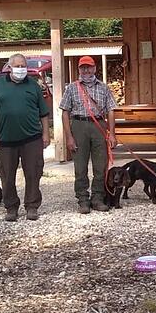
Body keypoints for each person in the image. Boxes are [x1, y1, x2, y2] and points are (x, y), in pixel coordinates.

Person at [0, 53, 51, 221]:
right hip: (6, 140)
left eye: (23, 66)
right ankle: (11, 207)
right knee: (7, 175)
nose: (21, 69)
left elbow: (43, 113)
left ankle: (32, 206)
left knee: (34, 172)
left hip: (32, 138)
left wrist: (45, 133)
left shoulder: (34, 85)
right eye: (18, 66)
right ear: (9, 67)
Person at [60, 56, 118, 214]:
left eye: (89, 67)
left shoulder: (104, 87)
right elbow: (65, 113)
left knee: (101, 165)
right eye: (82, 67)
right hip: (78, 125)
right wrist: (69, 136)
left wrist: (112, 133)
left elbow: (111, 110)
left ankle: (98, 198)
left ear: (95, 68)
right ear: (79, 69)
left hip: (99, 125)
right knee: (80, 166)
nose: (86, 70)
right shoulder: (72, 88)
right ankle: (83, 199)